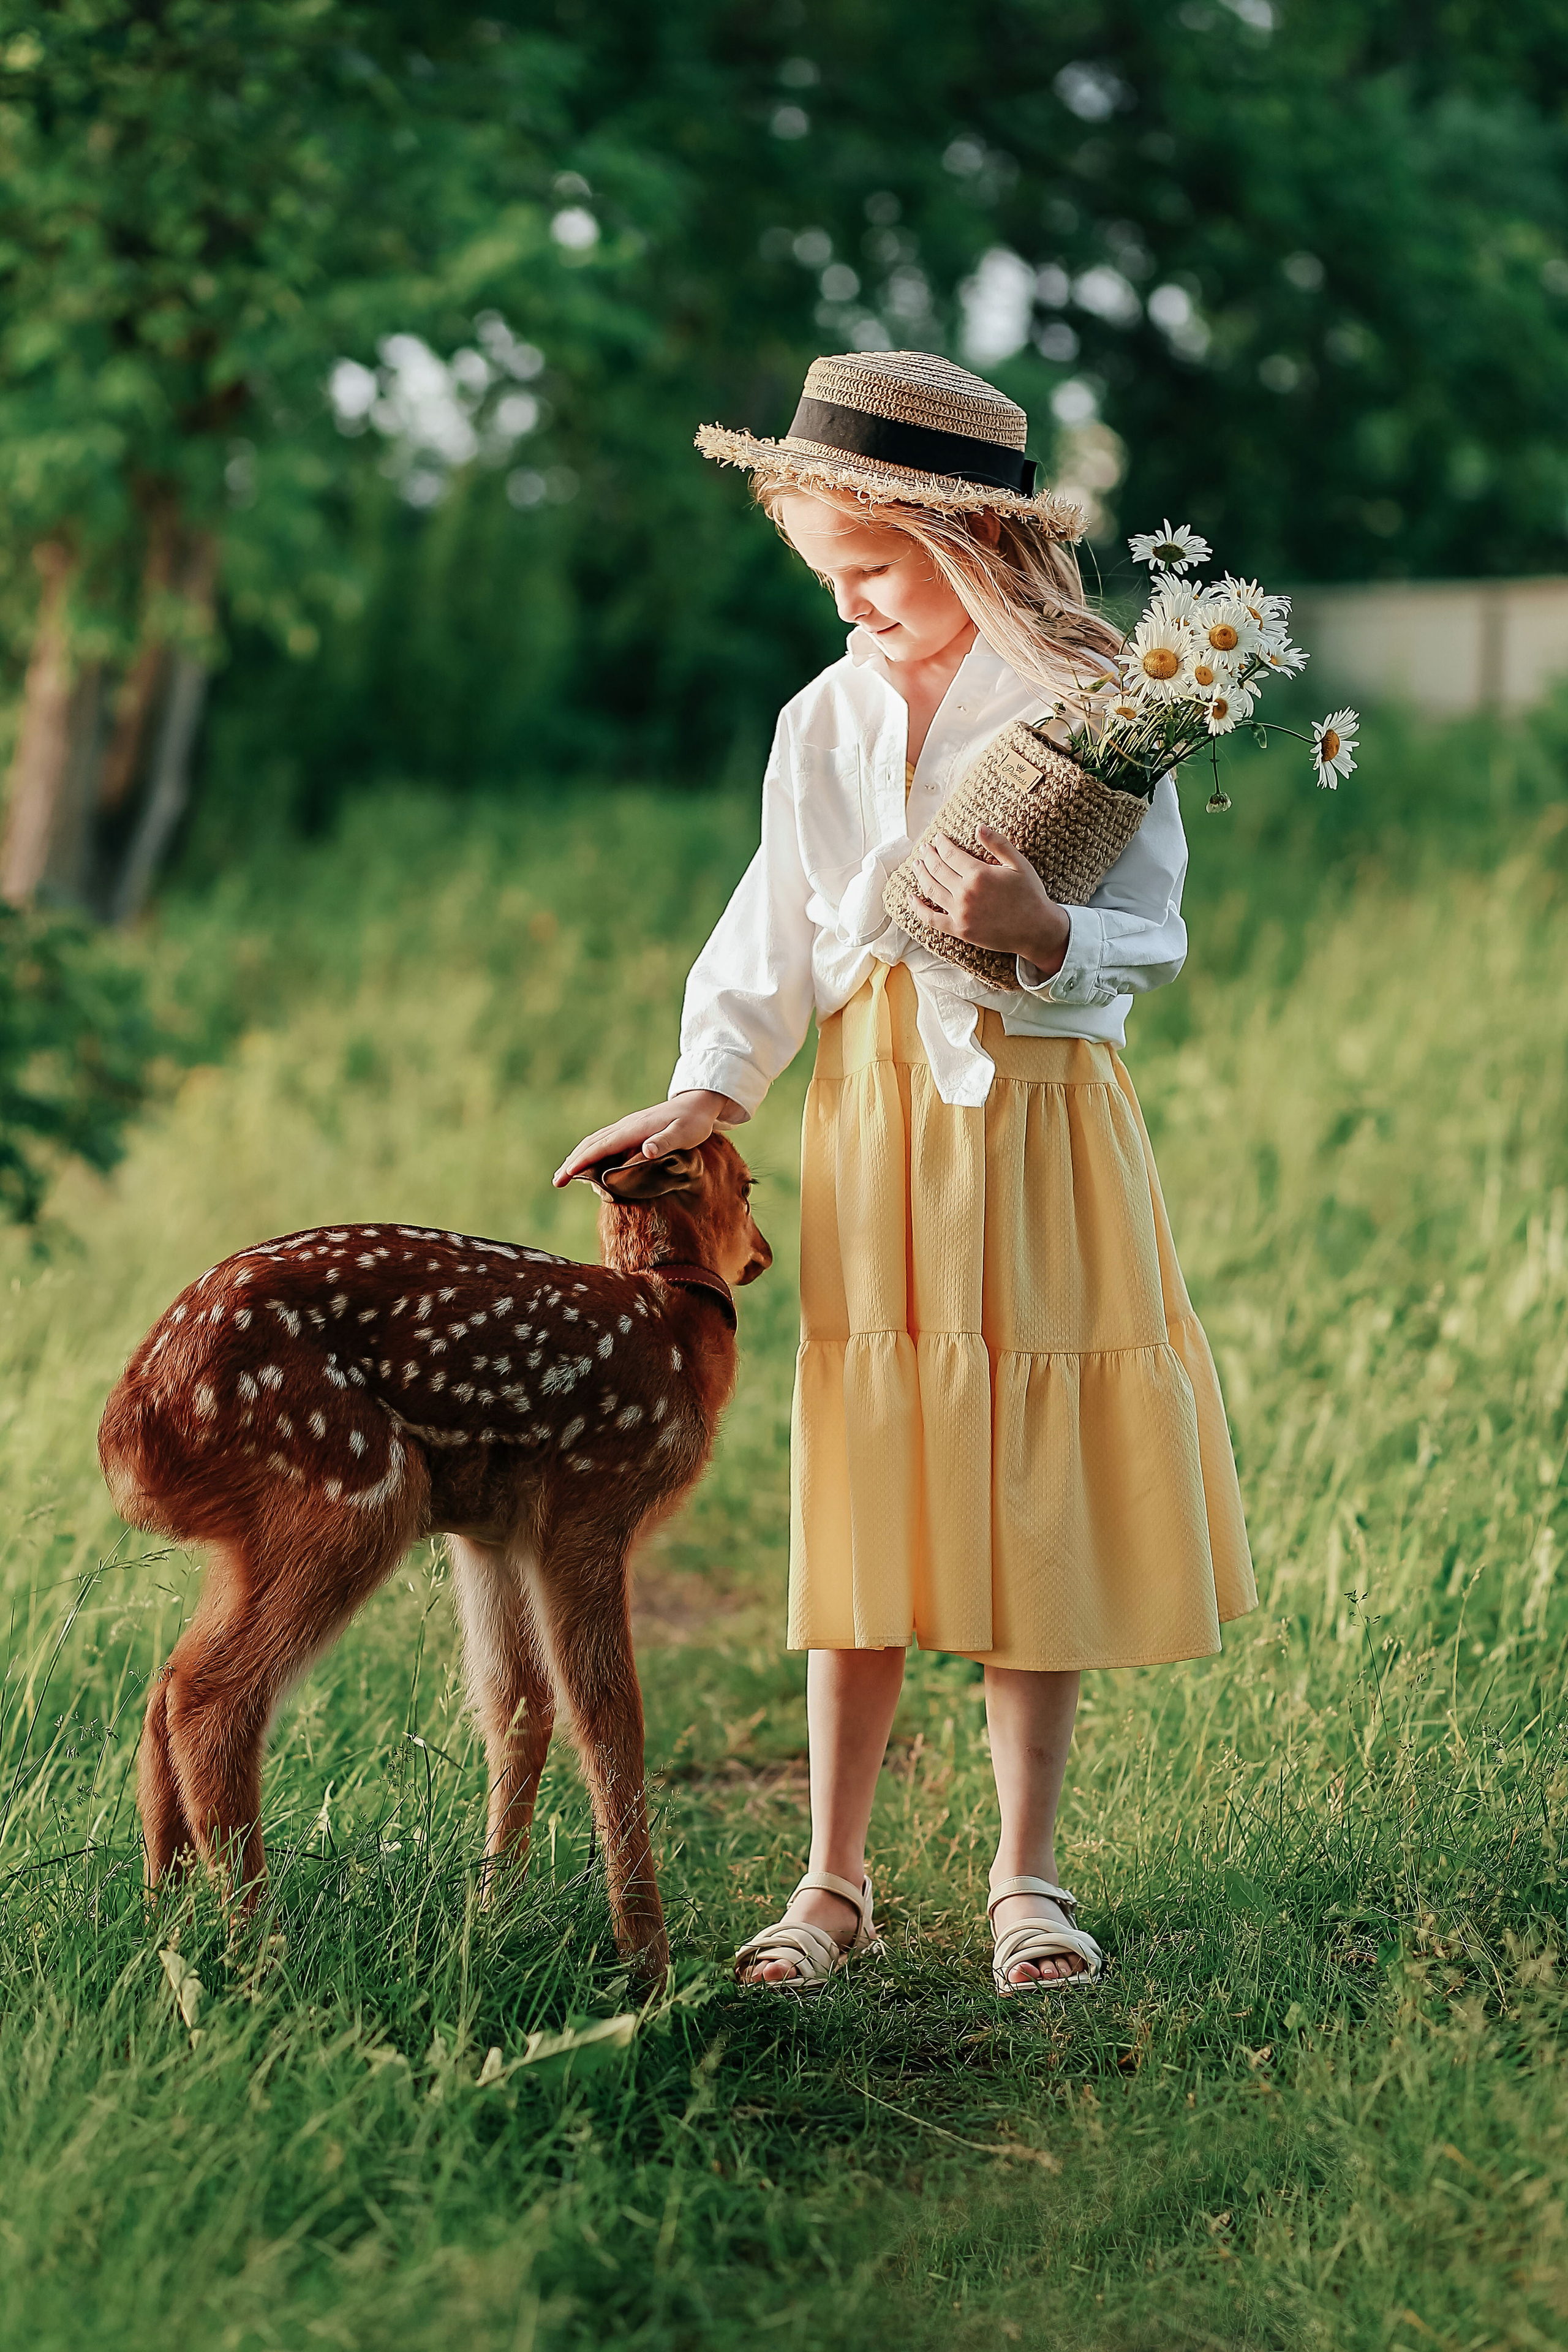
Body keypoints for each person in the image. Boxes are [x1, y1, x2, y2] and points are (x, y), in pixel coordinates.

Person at [556, 350, 1255, 1993]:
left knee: (1031, 1470)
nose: (851, 608)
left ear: (971, 542)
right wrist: (701, 1095)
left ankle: (1028, 1878)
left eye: (870, 574)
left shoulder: (1105, 701)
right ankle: (835, 1879)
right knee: (867, 1472)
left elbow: (1150, 934)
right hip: (872, 1121)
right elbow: (773, 934)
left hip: (1038, 1125)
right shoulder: (825, 718)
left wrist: (1043, 935)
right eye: (830, 580)